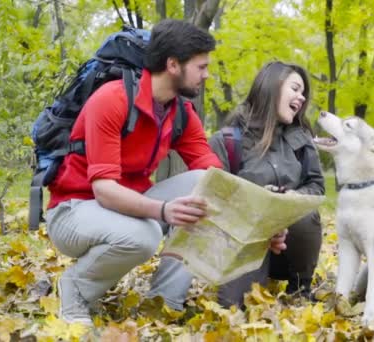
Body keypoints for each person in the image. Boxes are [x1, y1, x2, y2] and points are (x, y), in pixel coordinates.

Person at [45, 20, 287, 325]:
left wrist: (261, 223)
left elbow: (219, 182)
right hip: (72, 211)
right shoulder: (111, 100)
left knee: (203, 187)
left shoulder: (180, 113)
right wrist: (163, 210)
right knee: (144, 235)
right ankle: (75, 289)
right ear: (173, 64)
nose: (206, 75)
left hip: (128, 206)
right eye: (201, 67)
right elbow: (104, 190)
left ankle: (163, 303)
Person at [208, 61, 325, 308]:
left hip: (287, 244)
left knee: (306, 213)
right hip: (244, 243)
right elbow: (212, 198)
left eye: (303, 93)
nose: (301, 98)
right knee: (233, 307)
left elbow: (316, 187)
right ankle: (252, 277)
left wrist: (291, 198)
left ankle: (299, 289)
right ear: (272, 87)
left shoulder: (301, 140)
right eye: (295, 88)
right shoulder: (227, 140)